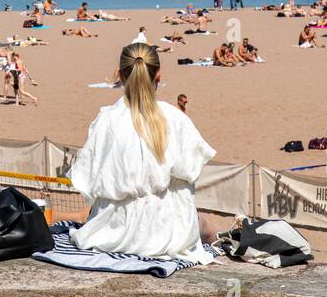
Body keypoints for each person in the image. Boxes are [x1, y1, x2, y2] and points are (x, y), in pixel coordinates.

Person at [62, 43, 219, 262]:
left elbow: (87, 181)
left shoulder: (105, 120)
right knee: (207, 228)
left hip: (112, 229)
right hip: (167, 228)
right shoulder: (175, 117)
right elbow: (191, 171)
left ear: (121, 75)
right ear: (158, 74)